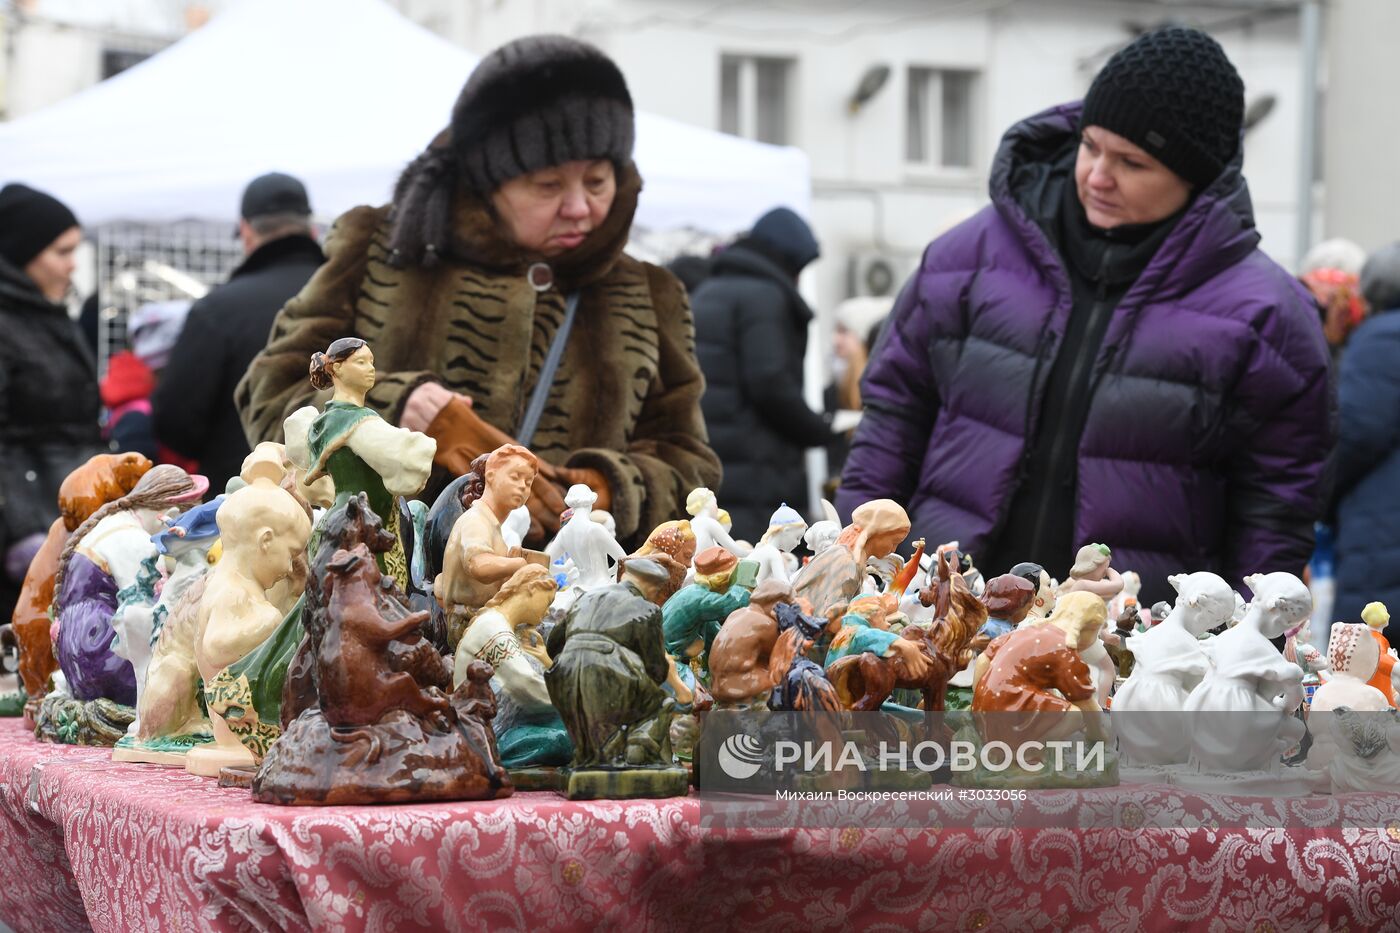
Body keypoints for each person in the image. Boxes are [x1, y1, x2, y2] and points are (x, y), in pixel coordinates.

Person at [837, 27, 1333, 607]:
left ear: (1196, 177)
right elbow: (893, 419)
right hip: (939, 615)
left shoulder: (1266, 314)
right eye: (1091, 146)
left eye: (1132, 162)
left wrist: (1242, 651)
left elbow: (1275, 510)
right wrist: (854, 567)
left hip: (1127, 650)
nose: (1099, 174)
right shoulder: (965, 259)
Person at [235, 36, 718, 550]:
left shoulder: (648, 293)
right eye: (549, 185)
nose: (580, 207)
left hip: (571, 607)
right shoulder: (381, 250)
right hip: (386, 591)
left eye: (597, 182)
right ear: (489, 181)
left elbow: (689, 460)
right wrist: (402, 412)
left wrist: (604, 491)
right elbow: (271, 390)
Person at [153, 173, 325, 493]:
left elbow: (175, 424)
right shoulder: (357, 297)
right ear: (311, 229)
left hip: (243, 504)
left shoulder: (217, 310)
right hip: (348, 504)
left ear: (246, 232)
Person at [691, 207, 833, 541]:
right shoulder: (765, 298)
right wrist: (820, 430)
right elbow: (770, 383)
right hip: (756, 472)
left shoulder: (709, 290)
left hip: (712, 465)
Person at [0, 183, 104, 623]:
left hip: (67, 510)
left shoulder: (47, 315)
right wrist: (19, 529)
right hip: (27, 526)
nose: (72, 264)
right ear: (23, 253)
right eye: (61, 252)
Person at [1331, 242, 1400, 637]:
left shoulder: (1380, 340)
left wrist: (1318, 498)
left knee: (1370, 669)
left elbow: (1355, 433)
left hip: (1383, 532)